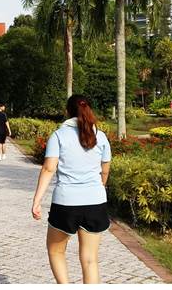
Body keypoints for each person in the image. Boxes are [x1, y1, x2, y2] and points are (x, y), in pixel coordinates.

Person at [31, 94, 111, 284]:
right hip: (95, 203)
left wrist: (37, 200)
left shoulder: (59, 135)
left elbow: (49, 168)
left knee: (55, 250)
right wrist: (100, 186)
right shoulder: (100, 136)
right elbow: (105, 169)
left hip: (66, 203)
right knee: (90, 259)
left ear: (67, 112)